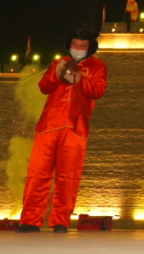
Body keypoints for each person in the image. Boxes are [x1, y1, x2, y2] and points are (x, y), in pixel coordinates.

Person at [16, 29, 107, 233]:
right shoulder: (58, 63)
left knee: (68, 176)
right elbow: (43, 87)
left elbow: (98, 91)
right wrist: (57, 75)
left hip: (76, 126)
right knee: (37, 174)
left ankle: (60, 221)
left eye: (82, 46)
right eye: (74, 45)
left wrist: (77, 79)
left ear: (89, 48)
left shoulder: (98, 67)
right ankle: (30, 220)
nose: (77, 49)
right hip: (49, 124)